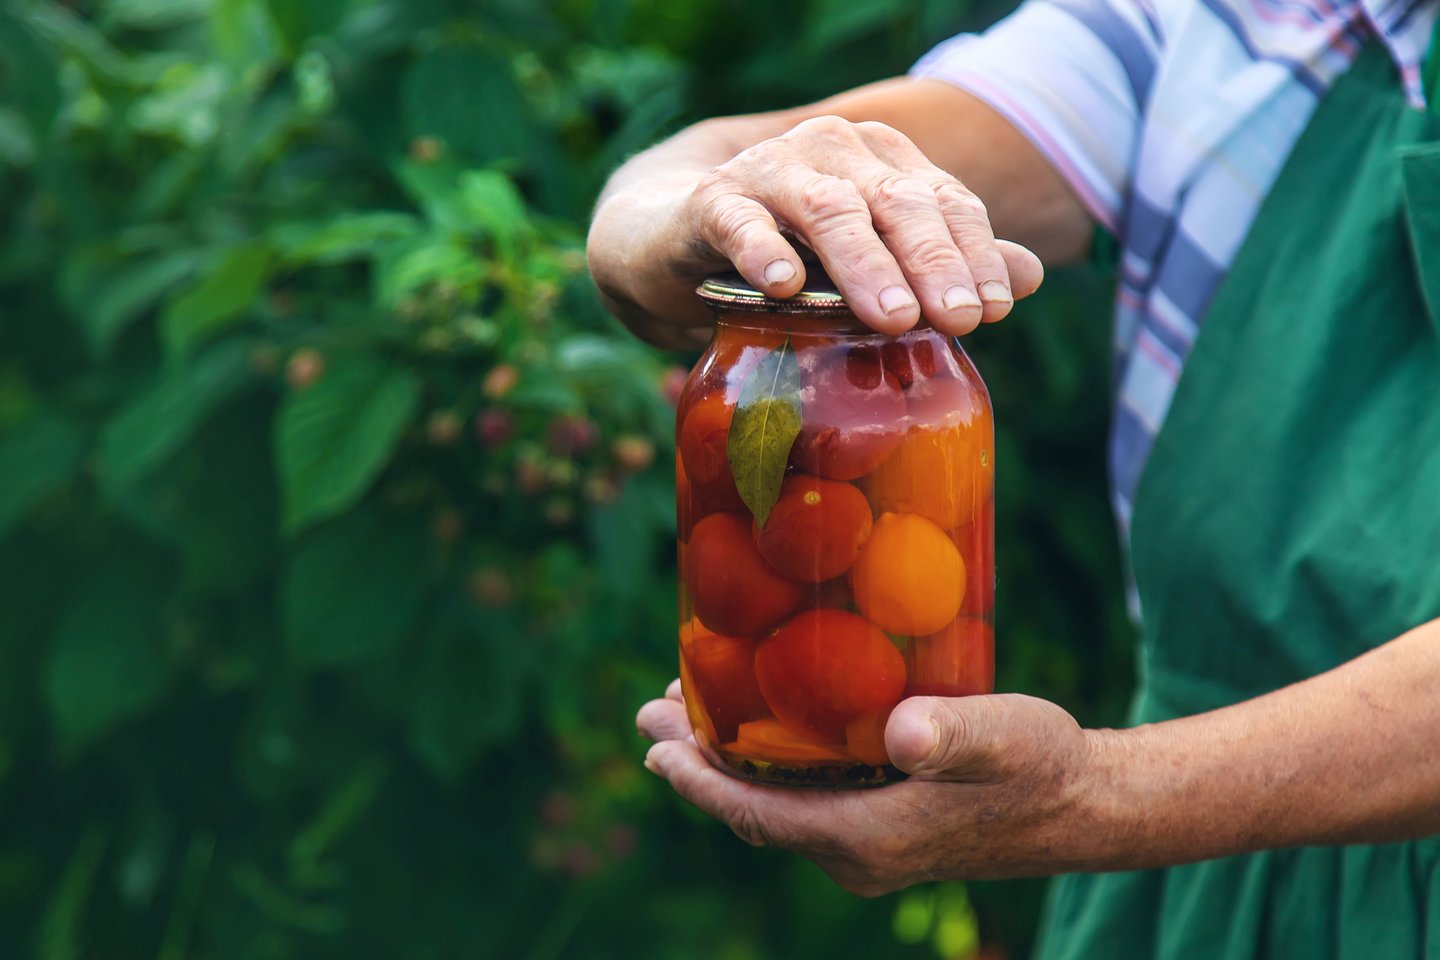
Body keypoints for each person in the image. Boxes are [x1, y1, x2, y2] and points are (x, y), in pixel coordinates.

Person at [586, 0, 1440, 953]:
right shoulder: (1231, 27)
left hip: (1190, 819)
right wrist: (702, 217)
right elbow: (686, 174)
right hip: (1200, 894)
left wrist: (1099, 796)